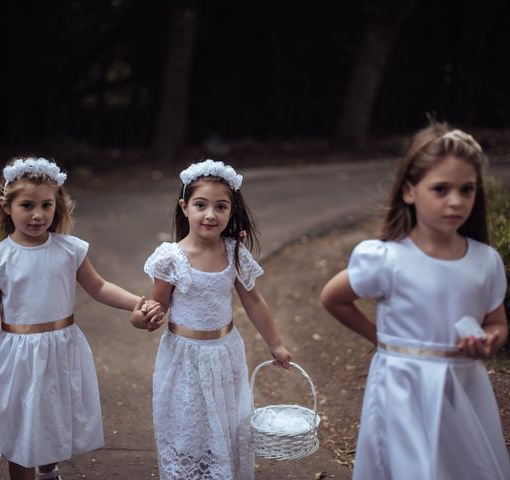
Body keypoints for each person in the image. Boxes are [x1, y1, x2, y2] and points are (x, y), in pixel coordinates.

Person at [0, 158, 162, 480]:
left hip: (60, 350)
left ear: (57, 206)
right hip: (17, 357)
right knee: (21, 427)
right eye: (27, 205)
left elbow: (100, 287)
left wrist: (140, 302)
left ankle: (49, 470)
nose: (38, 214)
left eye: (46, 205)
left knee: (50, 416)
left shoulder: (69, 250)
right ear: (6, 206)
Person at [320, 124, 510, 479]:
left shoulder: (485, 262)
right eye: (441, 189)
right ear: (409, 191)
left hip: (463, 388)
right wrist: (379, 337)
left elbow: (496, 322)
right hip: (401, 389)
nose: (455, 201)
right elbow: (334, 298)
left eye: (466, 189)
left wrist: (490, 340)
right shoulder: (386, 259)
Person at [131, 159, 292, 480]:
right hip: (184, 358)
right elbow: (156, 307)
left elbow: (254, 300)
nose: (210, 214)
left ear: (231, 212)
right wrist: (143, 318)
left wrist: (276, 343)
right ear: (184, 207)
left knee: (225, 423)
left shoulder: (233, 253)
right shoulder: (171, 257)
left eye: (221, 206)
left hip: (225, 354)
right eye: (201, 205)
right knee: (188, 426)